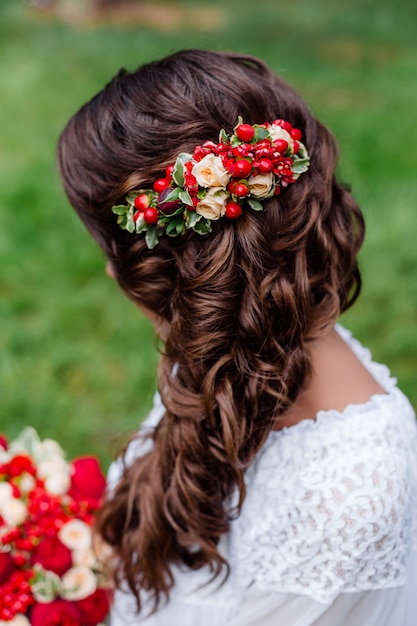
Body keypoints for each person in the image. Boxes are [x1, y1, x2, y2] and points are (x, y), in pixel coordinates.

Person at [57, 49, 417, 625]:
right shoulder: (230, 330)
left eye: (107, 251)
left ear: (166, 267)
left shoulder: (348, 499)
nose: (105, 271)